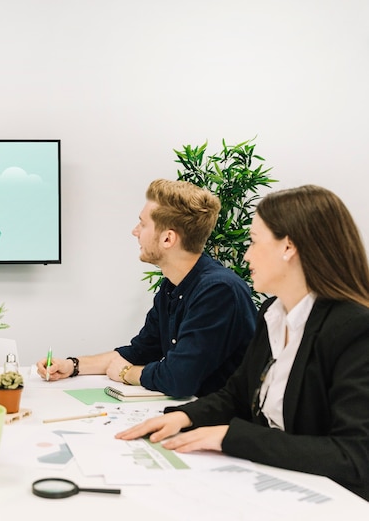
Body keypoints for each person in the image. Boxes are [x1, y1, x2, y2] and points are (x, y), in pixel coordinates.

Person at [116, 185, 369, 500]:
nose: (246, 254)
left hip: (336, 503)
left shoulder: (355, 328)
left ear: (288, 247)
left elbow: (354, 455)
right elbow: (237, 395)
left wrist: (230, 437)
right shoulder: (273, 313)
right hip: (276, 478)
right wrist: (185, 417)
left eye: (253, 241)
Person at [36, 178, 257, 397]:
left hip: (221, 423)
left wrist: (127, 373)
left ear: (168, 239)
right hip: (192, 411)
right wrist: (72, 365)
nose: (135, 231)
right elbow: (140, 351)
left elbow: (179, 379)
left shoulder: (219, 291)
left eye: (142, 224)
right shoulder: (172, 286)